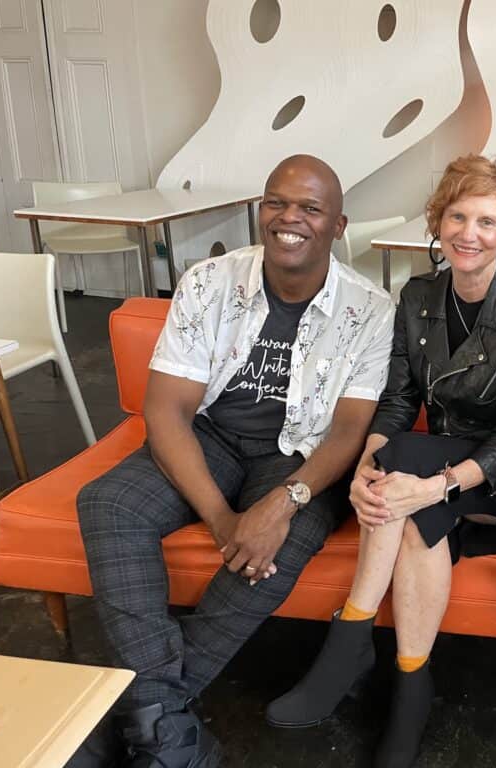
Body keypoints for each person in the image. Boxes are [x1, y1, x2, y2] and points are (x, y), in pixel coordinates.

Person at [73, 154, 395, 768]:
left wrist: (284, 503)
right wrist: (223, 520)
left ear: (338, 225)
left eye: (310, 208)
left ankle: (139, 716)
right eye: (276, 202)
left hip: (300, 454)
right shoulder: (208, 282)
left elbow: (349, 430)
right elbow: (166, 411)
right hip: (213, 436)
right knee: (108, 503)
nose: (289, 218)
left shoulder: (371, 308)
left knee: (285, 538)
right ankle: (163, 727)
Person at [265, 154, 496, 767]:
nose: (469, 234)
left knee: (412, 476)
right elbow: (398, 399)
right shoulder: (417, 296)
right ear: (438, 222)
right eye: (457, 216)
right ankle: (410, 685)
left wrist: (433, 487)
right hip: (431, 465)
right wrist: (367, 468)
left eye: (487, 221)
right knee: (403, 479)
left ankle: (349, 641)